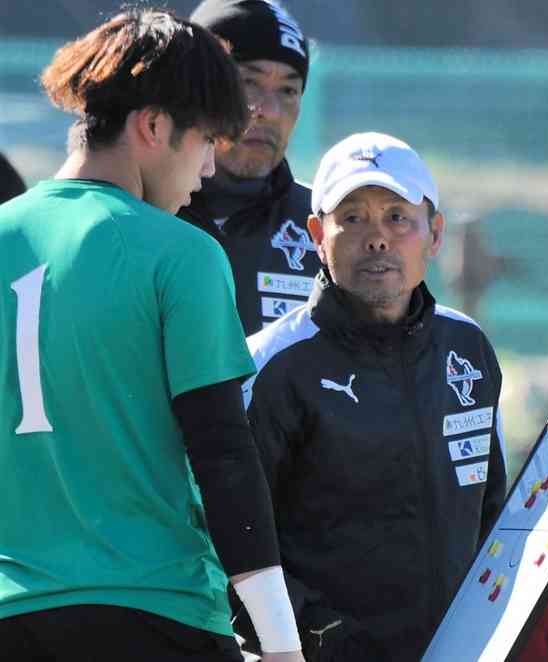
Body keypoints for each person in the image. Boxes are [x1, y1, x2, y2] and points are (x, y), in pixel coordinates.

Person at [0, 9, 304, 662]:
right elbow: (222, 453)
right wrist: (281, 646)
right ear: (154, 126)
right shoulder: (180, 253)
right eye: (203, 144)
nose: (202, 174)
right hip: (155, 615)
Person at [241, 132, 508, 661]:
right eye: (354, 218)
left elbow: (493, 506)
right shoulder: (269, 365)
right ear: (317, 234)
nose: (378, 238)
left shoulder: (468, 347)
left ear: (434, 234)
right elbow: (227, 536)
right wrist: (314, 634)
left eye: (397, 217)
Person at [179, 0, 319, 334]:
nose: (268, 110)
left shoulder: (327, 230)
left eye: (288, 89)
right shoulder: (139, 216)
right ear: (194, 86)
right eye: (248, 82)